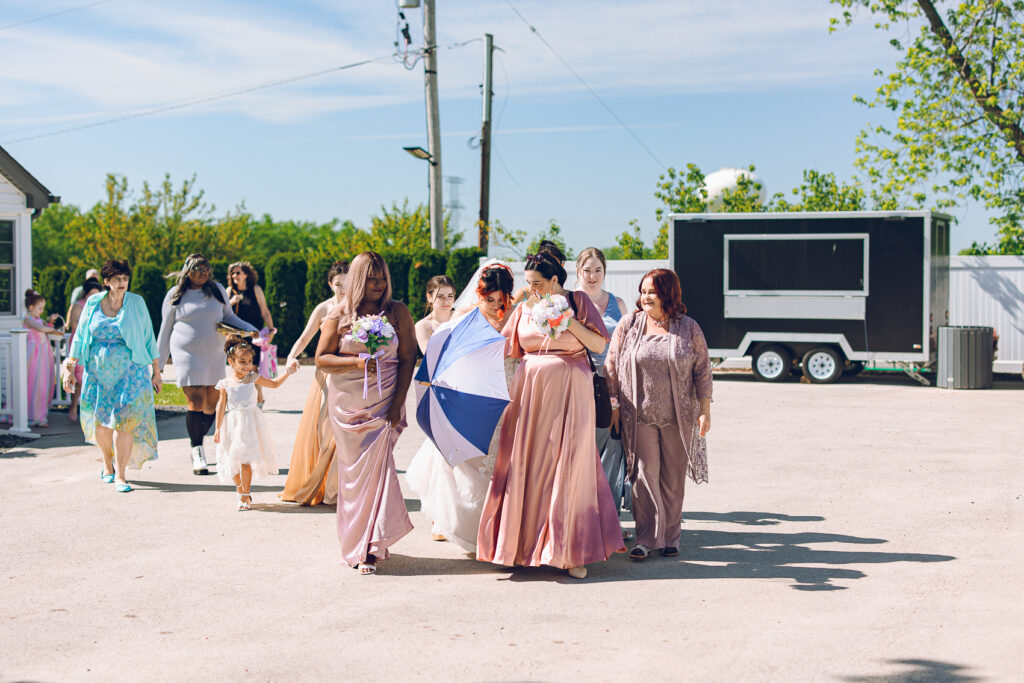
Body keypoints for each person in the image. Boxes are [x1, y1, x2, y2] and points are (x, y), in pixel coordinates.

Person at [477, 252, 625, 579]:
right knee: (527, 463)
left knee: (569, 464)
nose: (531, 290)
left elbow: (600, 346)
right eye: (528, 283)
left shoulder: (579, 302)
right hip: (530, 393)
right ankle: (519, 546)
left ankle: (572, 551)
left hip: (573, 389)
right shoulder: (524, 310)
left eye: (538, 284)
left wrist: (567, 320)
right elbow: (500, 347)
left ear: (556, 280)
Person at [315, 251, 417, 575]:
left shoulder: (398, 312)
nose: (378, 284)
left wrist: (398, 402)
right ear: (358, 279)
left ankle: (371, 548)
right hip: (347, 406)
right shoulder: (338, 315)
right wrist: (356, 362)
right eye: (371, 278)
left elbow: (407, 359)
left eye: (382, 277)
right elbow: (321, 359)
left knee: (380, 472)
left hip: (384, 402)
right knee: (353, 477)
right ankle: (356, 543)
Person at [405, 263, 516, 549]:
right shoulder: (465, 318)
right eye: (488, 299)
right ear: (480, 296)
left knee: (501, 460)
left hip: (508, 393)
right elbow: (444, 356)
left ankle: (496, 526)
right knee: (465, 461)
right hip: (472, 394)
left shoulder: (517, 316)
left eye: (500, 300)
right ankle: (458, 522)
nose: (495, 306)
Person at [605, 268, 713, 561]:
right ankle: (645, 538)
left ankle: (670, 537)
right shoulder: (630, 324)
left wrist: (705, 409)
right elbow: (612, 365)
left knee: (673, 477)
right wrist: (614, 405)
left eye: (651, 291)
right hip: (638, 414)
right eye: (642, 291)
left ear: (668, 293)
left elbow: (703, 369)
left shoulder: (688, 327)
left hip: (679, 415)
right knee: (643, 474)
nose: (645, 297)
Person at [64, 260, 162, 493]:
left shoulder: (136, 303)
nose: (122, 283)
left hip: (131, 373)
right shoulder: (93, 303)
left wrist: (156, 372)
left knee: (125, 421)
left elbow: (149, 336)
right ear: (107, 281)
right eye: (117, 279)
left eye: (125, 279)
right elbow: (80, 337)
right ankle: (107, 465)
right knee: (102, 423)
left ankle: (121, 475)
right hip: (98, 373)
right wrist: (70, 367)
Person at [157, 254, 258, 476]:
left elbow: (229, 318)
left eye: (206, 269)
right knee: (195, 400)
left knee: (212, 403)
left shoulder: (218, 291)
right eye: (198, 269)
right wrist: (159, 363)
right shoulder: (175, 295)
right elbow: (165, 329)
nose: (203, 273)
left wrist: (250, 329)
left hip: (213, 355)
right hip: (186, 354)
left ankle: (198, 439)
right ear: (187, 271)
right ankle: (197, 450)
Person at [279, 260, 348, 505]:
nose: (343, 289)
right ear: (330, 284)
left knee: (346, 431)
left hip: (351, 373)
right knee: (325, 428)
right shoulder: (323, 308)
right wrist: (291, 357)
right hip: (328, 373)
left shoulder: (360, 306)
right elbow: (305, 336)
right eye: (338, 284)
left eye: (347, 284)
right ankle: (321, 484)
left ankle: (339, 488)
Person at [575, 247, 632, 535]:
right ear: (578, 272)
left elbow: (624, 348)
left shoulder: (618, 304)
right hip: (578, 383)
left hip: (610, 383)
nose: (593, 276)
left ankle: (610, 520)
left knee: (612, 449)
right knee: (582, 451)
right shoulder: (569, 303)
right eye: (587, 270)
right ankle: (584, 518)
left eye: (598, 270)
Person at [213, 336, 297, 510]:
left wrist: (287, 372)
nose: (247, 365)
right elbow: (221, 406)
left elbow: (273, 384)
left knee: (245, 460)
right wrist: (217, 429)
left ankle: (245, 495)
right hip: (232, 425)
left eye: (249, 361)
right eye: (242, 361)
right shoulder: (225, 383)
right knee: (232, 460)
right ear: (231, 362)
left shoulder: (252, 378)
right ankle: (240, 490)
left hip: (250, 424)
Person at [227, 262, 276, 406]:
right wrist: (231, 302)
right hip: (236, 337)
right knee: (238, 368)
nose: (235, 275)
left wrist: (271, 330)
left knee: (252, 368)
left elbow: (265, 311)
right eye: (233, 273)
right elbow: (221, 312)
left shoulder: (255, 289)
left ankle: (259, 396)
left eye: (238, 272)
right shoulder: (230, 291)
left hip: (254, 337)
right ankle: (245, 400)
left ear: (246, 275)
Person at [22, 290, 65, 427]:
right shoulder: (28, 320)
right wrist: (51, 328)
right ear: (31, 308)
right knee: (33, 383)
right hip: (34, 355)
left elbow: (44, 326)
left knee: (43, 382)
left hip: (42, 353)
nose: (42, 311)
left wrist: (50, 322)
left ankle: (40, 413)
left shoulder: (38, 319)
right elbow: (40, 328)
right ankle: (33, 414)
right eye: (40, 308)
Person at [66, 279, 105, 422]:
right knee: (78, 377)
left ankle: (90, 409)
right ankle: (73, 406)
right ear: (86, 294)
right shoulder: (78, 306)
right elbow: (75, 325)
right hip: (80, 343)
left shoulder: (101, 306)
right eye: (91, 294)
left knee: (92, 376)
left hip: (95, 343)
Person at [509, 240, 566, 308]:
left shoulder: (567, 296)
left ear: (562, 265)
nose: (550, 269)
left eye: (554, 264)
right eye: (545, 265)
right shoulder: (523, 293)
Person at [413, 275, 456, 353]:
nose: (446, 301)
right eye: (440, 296)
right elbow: (429, 356)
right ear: (429, 297)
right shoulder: (422, 326)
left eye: (450, 296)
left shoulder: (461, 318)